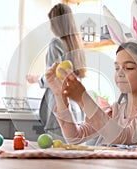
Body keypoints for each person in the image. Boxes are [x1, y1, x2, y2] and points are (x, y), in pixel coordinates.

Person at [45, 41, 137, 146]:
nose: (120, 73)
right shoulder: (116, 111)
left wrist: (83, 98)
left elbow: (123, 138)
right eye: (117, 68)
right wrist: (58, 94)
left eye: (129, 68)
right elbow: (74, 137)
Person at [26, 3, 86, 141]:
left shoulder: (56, 43)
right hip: (77, 109)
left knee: (56, 156)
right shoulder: (76, 44)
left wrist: (36, 79)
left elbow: (54, 78)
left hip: (60, 108)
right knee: (71, 155)